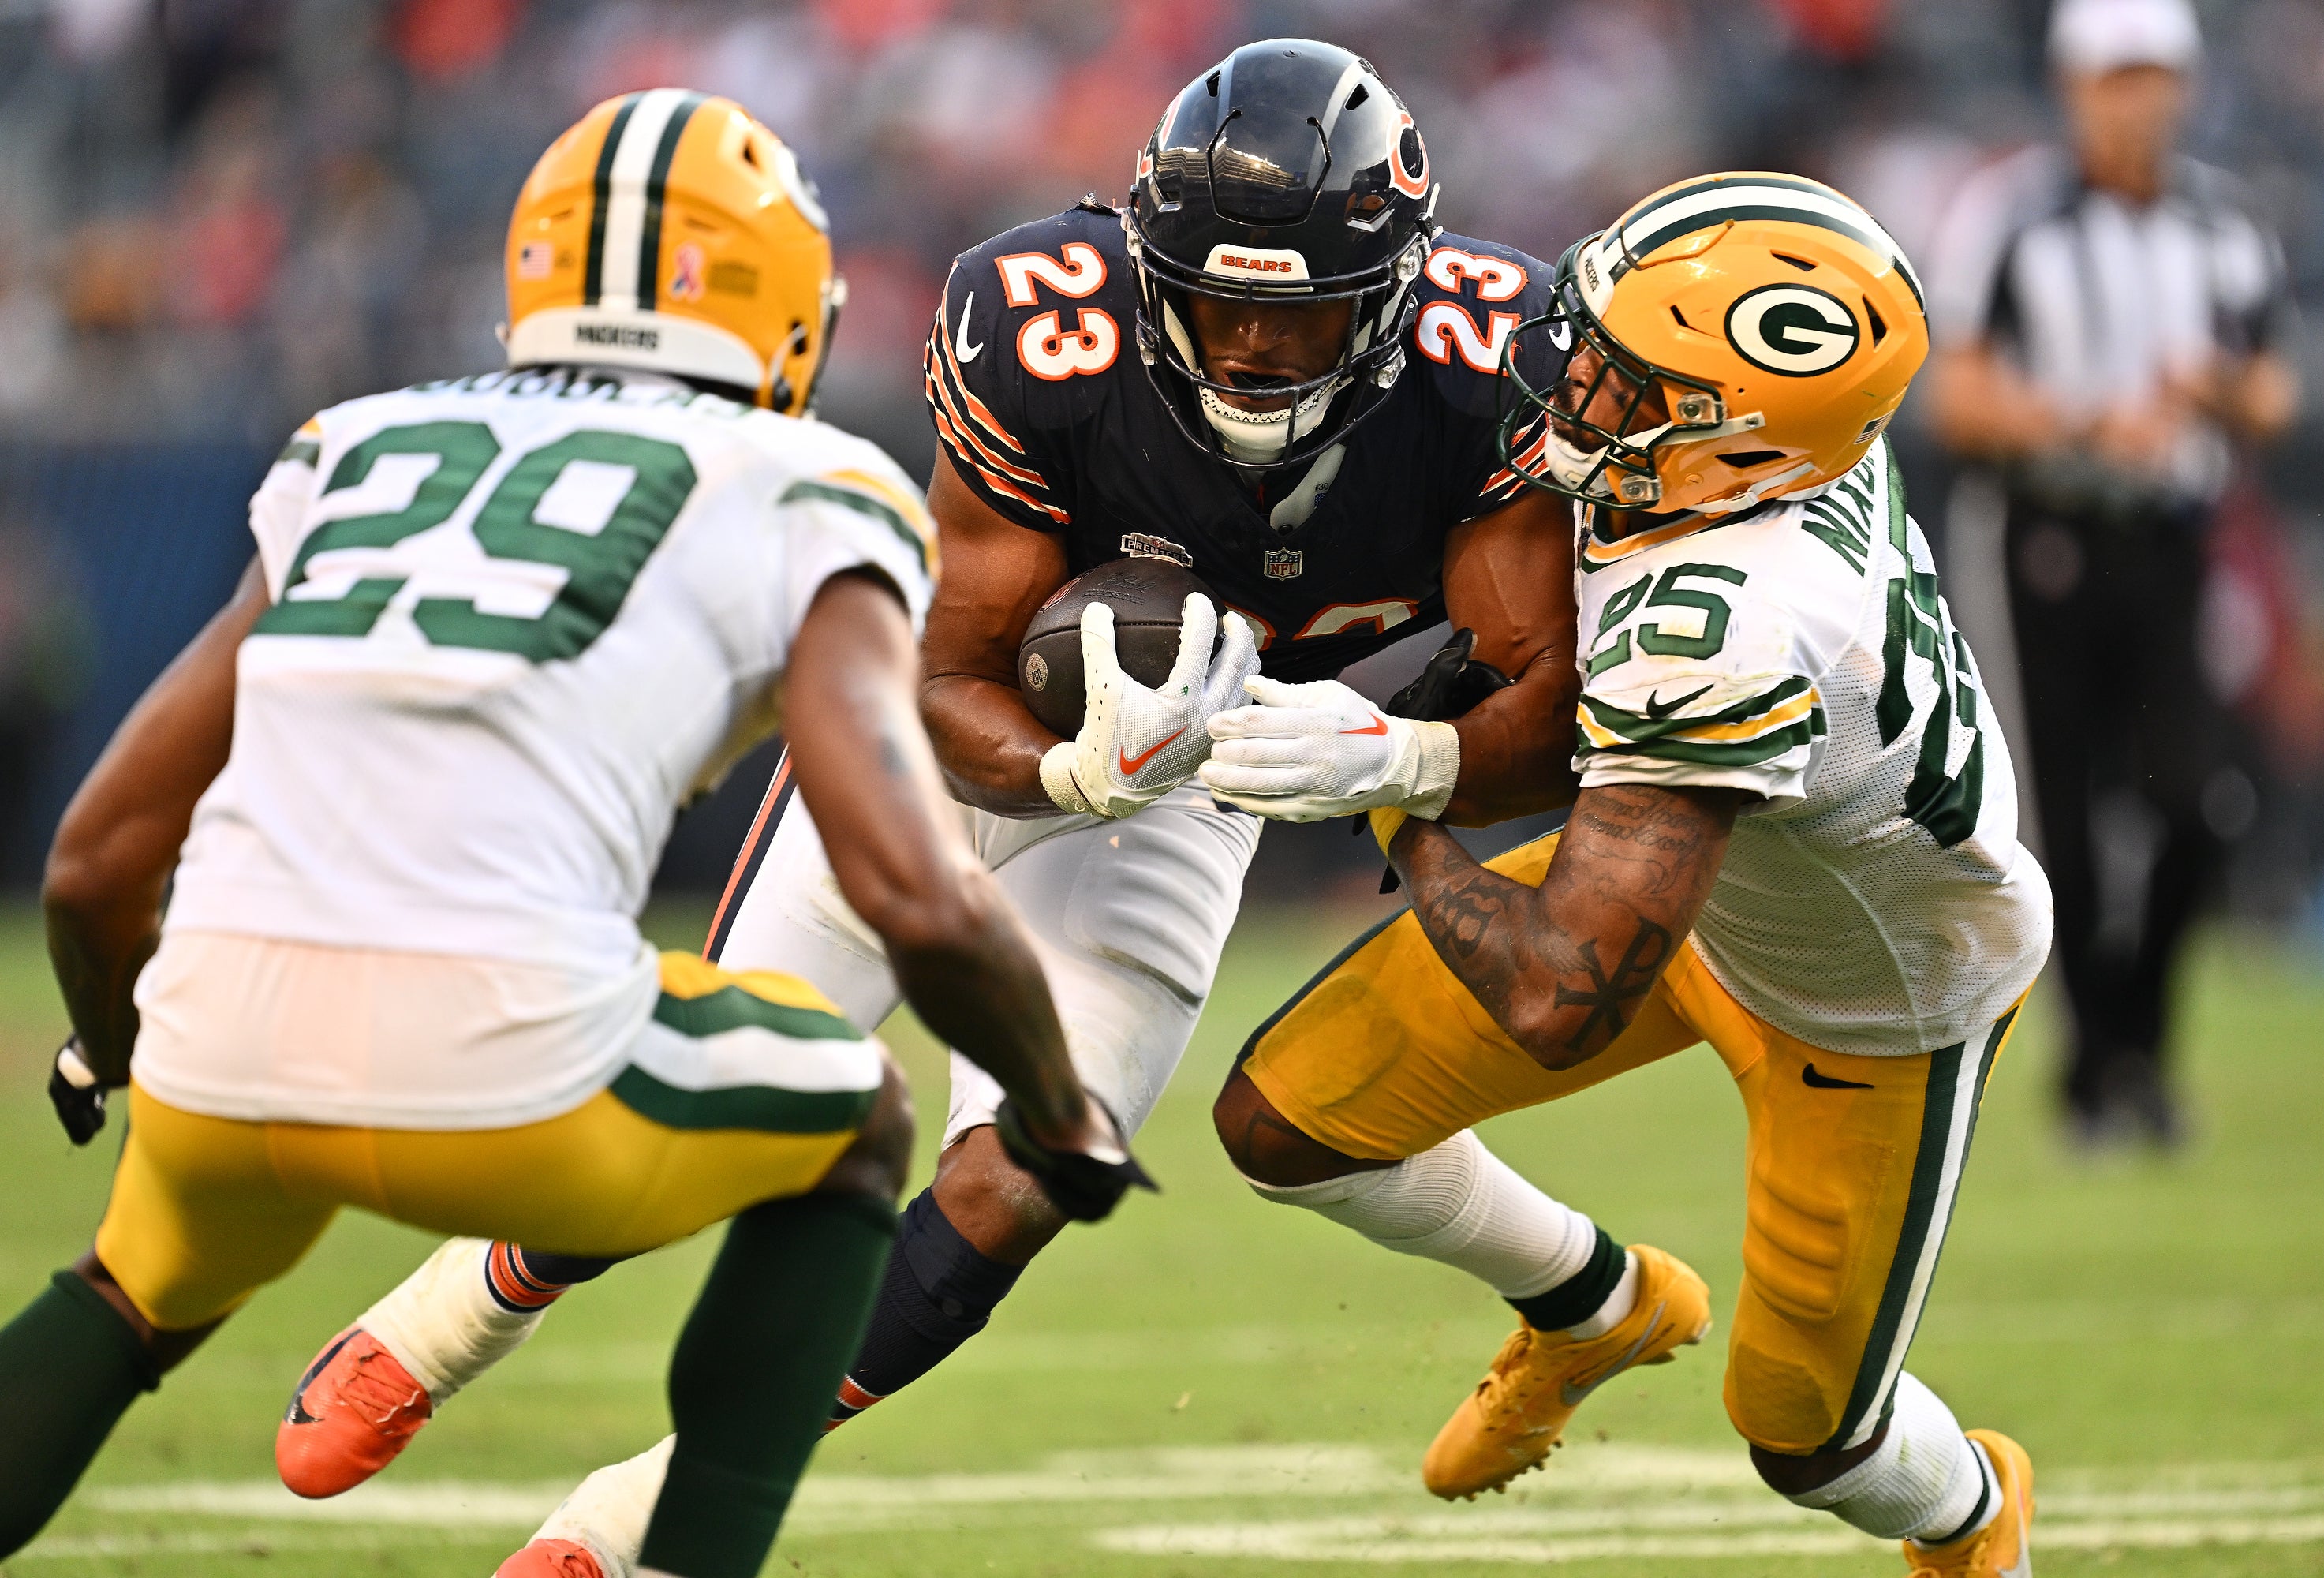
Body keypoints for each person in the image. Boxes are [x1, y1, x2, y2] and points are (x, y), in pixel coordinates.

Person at [281, 39, 1589, 1577]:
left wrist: (1401, 755)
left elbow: (1552, 701)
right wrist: (1068, 770)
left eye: (1295, 314)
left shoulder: (1493, 359)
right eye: (1215, 303)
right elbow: (945, 667)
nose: (1248, 353)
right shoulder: (1041, 325)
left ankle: (629, 1526)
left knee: (1030, 1172)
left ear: (1389, 294)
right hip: (971, 749)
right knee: (715, 1097)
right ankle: (457, 1313)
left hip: (1205, 783)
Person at [0, 91, 1141, 1578]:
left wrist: (110, 1045)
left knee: (129, 1288)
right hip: (508, 1064)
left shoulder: (361, 441)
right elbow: (913, 897)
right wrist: (1058, 1106)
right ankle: (685, 1555)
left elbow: (95, 860)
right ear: (783, 297)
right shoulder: (808, 483)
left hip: (225, 1041)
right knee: (855, 1111)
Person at [1207, 174, 2053, 1578]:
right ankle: (1597, 1307)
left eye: (1618, 377)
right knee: (1286, 1123)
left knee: (1811, 1442)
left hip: (1870, 1013)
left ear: (1733, 449)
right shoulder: (1778, 446)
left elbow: (1561, 992)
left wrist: (1394, 794)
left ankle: (1974, 1515)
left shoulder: (1730, 620)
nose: (1565, 373)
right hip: (1699, 878)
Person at [1924, 0, 2296, 1145]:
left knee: (2196, 803)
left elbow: (2273, 393)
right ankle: (2099, 1073)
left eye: (2155, 75)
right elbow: (1960, 393)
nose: (2138, 99)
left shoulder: (2226, 225)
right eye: (2116, 76)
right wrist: (2086, 425)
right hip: (2044, 533)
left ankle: (2141, 1039)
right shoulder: (2014, 216)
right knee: (2065, 815)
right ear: (2075, 86)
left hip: (2172, 540)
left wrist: (2214, 394)